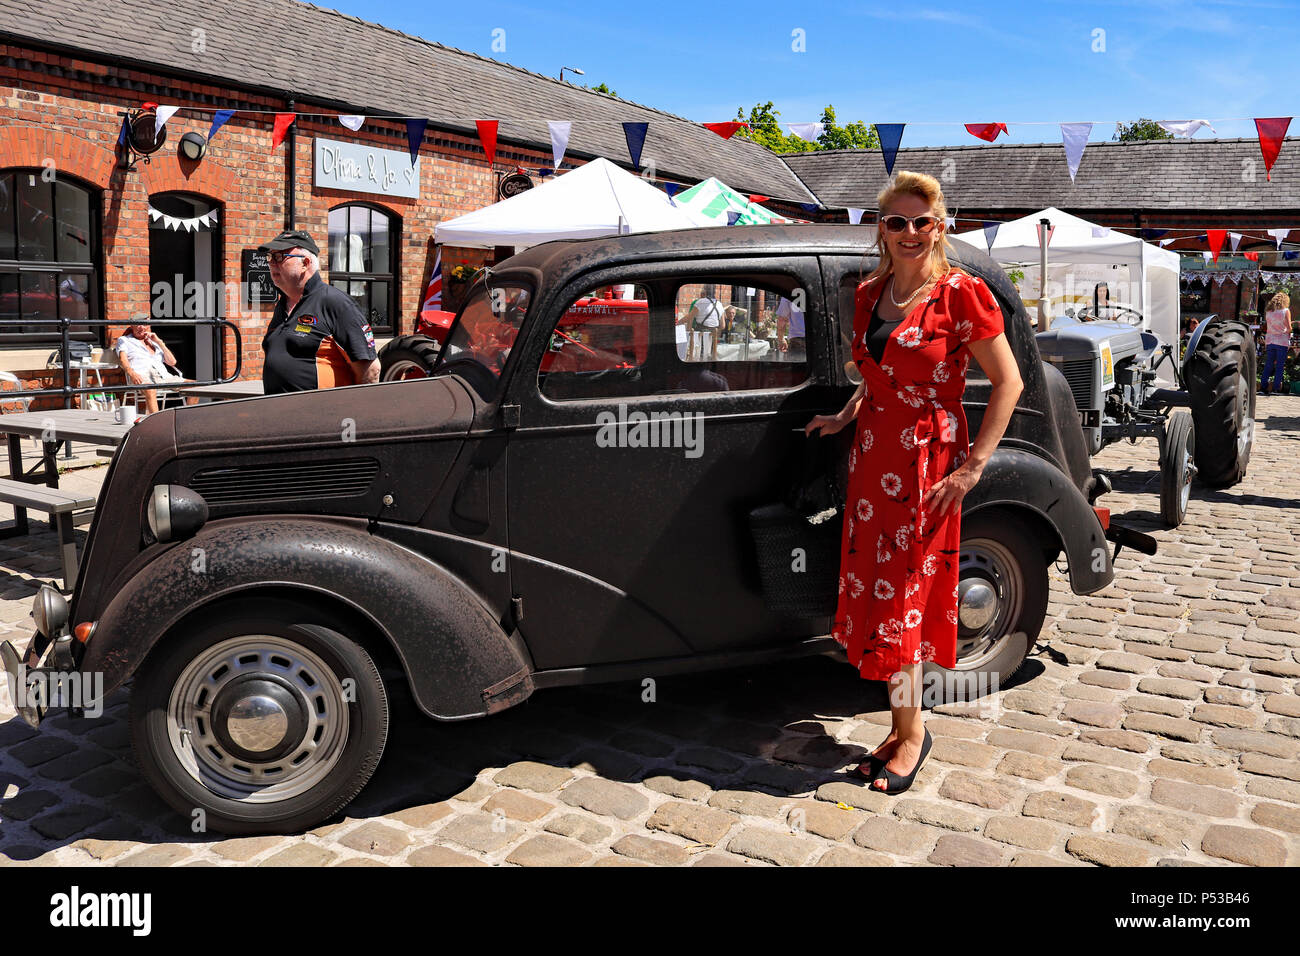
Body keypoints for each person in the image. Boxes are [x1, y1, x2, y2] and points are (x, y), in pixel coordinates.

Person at [805, 171, 1024, 795]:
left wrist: (973, 465)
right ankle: (901, 728)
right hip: (873, 460)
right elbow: (877, 372)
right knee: (877, 592)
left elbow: (1008, 383)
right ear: (881, 228)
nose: (908, 232)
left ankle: (914, 731)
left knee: (904, 601)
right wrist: (845, 414)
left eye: (920, 222)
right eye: (896, 221)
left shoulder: (961, 295)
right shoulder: (869, 292)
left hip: (928, 466)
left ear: (940, 226)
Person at [258, 229, 380, 394]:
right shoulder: (282, 305)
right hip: (279, 414)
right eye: (270, 257)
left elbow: (370, 371)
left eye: (280, 257)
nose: (272, 263)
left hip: (322, 415)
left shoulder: (335, 303)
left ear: (305, 263)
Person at [113, 314, 198, 414]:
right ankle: (156, 423)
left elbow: (172, 362)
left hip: (164, 377)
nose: (141, 328)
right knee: (151, 389)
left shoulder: (154, 341)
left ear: (148, 325)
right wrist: (132, 373)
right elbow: (123, 360)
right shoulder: (124, 340)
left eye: (144, 324)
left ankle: (187, 418)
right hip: (142, 377)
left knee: (195, 386)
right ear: (132, 326)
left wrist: (159, 342)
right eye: (137, 325)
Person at [1262, 292, 1293, 396]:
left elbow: (1270, 326)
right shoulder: (1285, 311)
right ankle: (1276, 389)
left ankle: (1263, 387)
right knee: (1279, 365)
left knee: (1268, 364)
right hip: (1281, 341)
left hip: (1270, 340)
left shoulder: (1268, 312)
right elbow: (1288, 329)